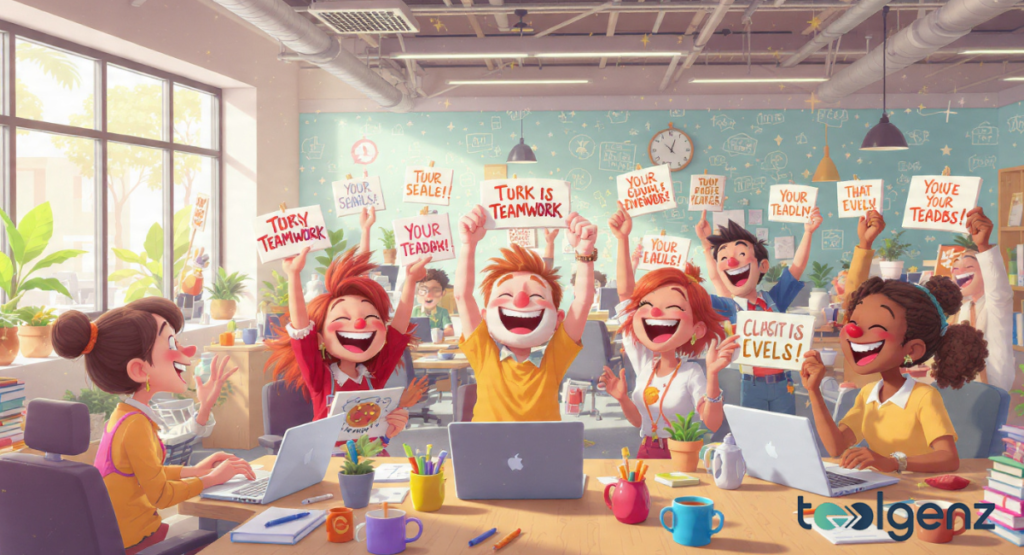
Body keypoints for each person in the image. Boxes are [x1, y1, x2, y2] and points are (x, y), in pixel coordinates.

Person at [51, 298, 255, 554]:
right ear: (139, 370)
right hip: (138, 542)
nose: (187, 350)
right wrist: (213, 478)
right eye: (172, 343)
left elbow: (146, 473)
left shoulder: (124, 415)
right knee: (229, 534)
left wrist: (196, 471)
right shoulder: (135, 425)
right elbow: (162, 496)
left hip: (127, 536)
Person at [266, 213, 427, 448]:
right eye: (343, 318)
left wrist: (411, 282)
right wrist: (293, 276)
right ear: (320, 338)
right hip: (328, 460)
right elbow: (301, 329)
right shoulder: (320, 376)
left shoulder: (374, 374)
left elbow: (399, 330)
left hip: (372, 456)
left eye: (370, 317)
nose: (359, 324)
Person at [801, 276, 987, 473]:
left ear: (912, 350)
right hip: (879, 486)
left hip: (917, 491)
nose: (854, 331)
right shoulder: (868, 394)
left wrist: (893, 462)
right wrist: (813, 390)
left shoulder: (923, 397)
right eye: (854, 321)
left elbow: (949, 459)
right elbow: (836, 447)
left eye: (877, 327)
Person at [600, 202, 739, 458]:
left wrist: (712, 375)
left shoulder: (691, 373)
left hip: (681, 454)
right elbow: (625, 295)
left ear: (696, 328)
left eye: (671, 306)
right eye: (648, 305)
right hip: (646, 450)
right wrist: (622, 398)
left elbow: (712, 424)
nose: (655, 313)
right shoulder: (645, 365)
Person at [455, 205, 598, 422]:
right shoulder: (484, 353)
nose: (521, 300)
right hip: (489, 448)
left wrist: (585, 254)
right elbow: (463, 296)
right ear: (484, 316)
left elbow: (583, 301)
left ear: (558, 319)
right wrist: (469, 244)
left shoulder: (554, 358)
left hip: (542, 450)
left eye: (536, 297)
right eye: (506, 294)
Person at [695, 209, 823, 414]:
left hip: (784, 383)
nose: (732, 262)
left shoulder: (774, 300)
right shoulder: (729, 306)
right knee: (753, 433)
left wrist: (808, 232)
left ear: (763, 266)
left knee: (785, 428)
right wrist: (705, 244)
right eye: (724, 258)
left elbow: (796, 268)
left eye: (741, 254)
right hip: (749, 384)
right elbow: (717, 278)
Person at [948, 207, 1013, 391]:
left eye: (969, 266)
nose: (960, 272)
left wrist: (983, 247)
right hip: (962, 389)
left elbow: (997, 289)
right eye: (956, 268)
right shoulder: (962, 310)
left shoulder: (995, 305)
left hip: (991, 389)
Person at [411, 269, 455, 337]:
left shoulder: (442, 312)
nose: (429, 295)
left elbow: (450, 330)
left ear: (443, 293)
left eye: (435, 291)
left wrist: (437, 334)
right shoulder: (414, 310)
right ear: (417, 293)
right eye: (423, 291)